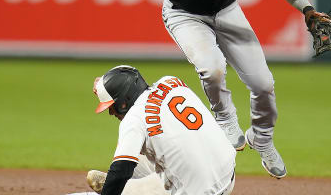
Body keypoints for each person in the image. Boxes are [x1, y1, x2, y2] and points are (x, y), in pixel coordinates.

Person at [162, 0, 326, 178]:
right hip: (186, 14)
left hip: (225, 11)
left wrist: (307, 10)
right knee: (212, 68)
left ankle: (261, 138)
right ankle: (225, 116)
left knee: (263, 83)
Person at [87, 65, 236, 195]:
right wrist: (107, 88)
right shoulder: (171, 81)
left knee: (122, 166)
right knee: (141, 151)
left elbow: (120, 171)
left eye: (111, 106)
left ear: (123, 102)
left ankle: (130, 189)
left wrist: (112, 187)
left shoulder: (133, 119)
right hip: (229, 174)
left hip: (202, 192)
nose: (111, 112)